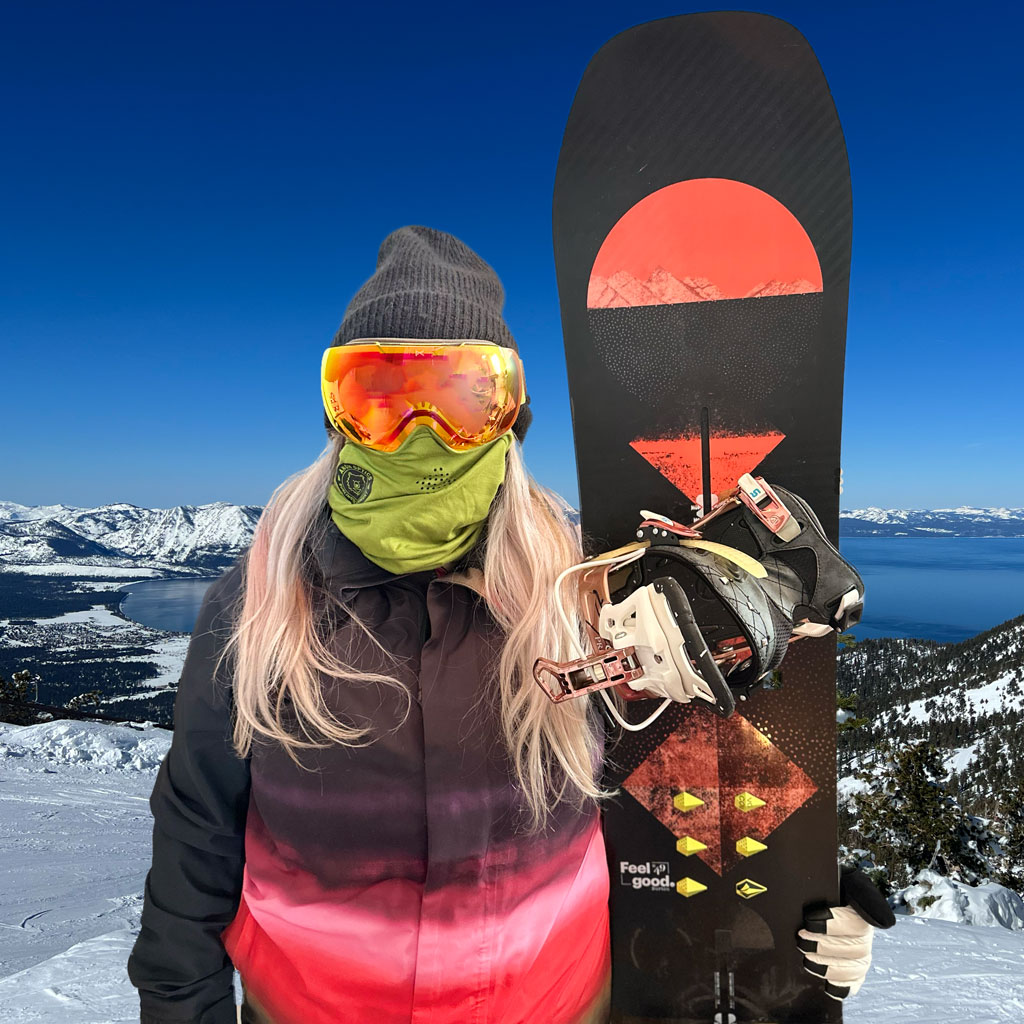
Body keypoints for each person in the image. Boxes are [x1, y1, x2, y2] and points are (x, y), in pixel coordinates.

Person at [126, 226, 890, 1024]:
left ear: (510, 420)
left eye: (465, 398)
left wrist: (798, 895)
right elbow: (196, 836)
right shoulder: (256, 610)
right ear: (336, 418)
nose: (420, 431)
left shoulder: (585, 596)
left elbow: (685, 772)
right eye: (377, 397)